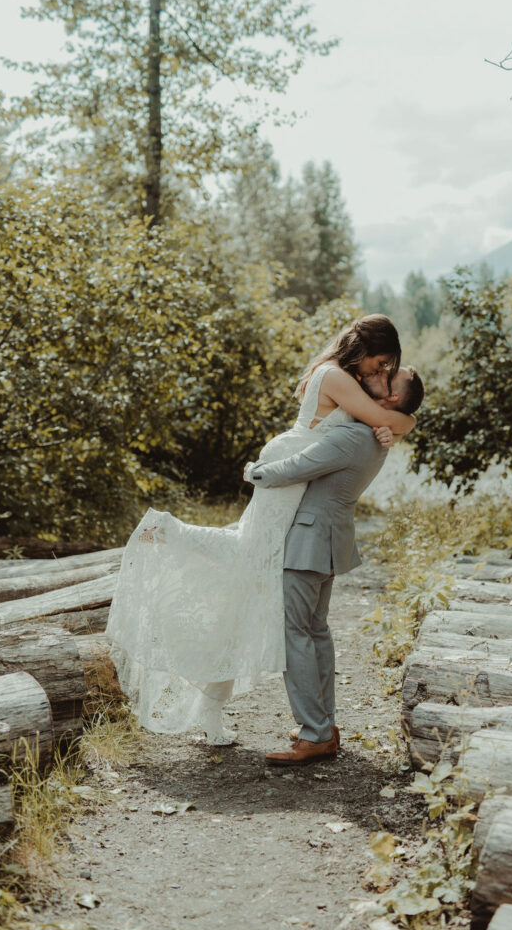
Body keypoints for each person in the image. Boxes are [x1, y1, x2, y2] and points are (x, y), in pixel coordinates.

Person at [106, 315, 415, 744]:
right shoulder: (337, 376)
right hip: (287, 469)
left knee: (246, 576)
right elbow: (393, 419)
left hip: (294, 471)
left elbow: (388, 416)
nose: (379, 373)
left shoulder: (341, 378)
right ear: (362, 351)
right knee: (247, 553)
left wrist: (397, 419)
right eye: (379, 364)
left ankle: (213, 711)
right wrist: (404, 421)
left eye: (386, 370)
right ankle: (166, 530)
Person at [244, 366, 425, 765]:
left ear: (392, 397)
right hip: (328, 539)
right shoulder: (378, 436)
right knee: (315, 630)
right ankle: (323, 726)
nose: (377, 375)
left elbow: (296, 467)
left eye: (386, 376)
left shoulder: (352, 435)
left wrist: (254, 471)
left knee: (295, 633)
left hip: (309, 541)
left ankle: (314, 734)